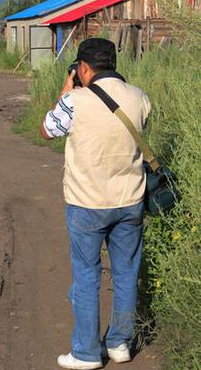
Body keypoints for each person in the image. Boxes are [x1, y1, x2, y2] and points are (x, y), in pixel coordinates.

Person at [41, 38, 151, 370]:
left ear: (84, 68)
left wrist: (66, 89)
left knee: (87, 275)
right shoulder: (140, 97)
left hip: (87, 202)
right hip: (130, 200)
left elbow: (48, 130)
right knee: (126, 273)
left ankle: (86, 352)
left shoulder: (75, 100)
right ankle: (119, 343)